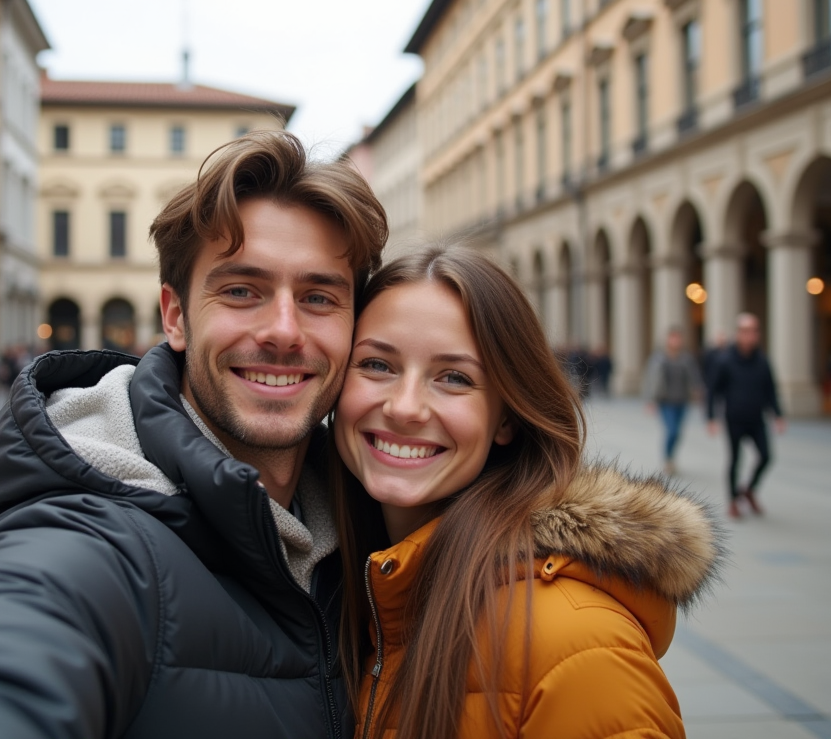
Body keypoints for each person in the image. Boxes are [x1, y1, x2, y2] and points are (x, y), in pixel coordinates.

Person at [0, 130, 388, 739]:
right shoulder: (87, 539)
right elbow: (6, 646)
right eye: (241, 290)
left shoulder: (373, 519)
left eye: (319, 296)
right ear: (175, 316)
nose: (282, 330)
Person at [331, 246, 722, 738]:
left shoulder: (583, 648)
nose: (406, 407)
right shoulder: (354, 593)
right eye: (377, 365)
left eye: (454, 377)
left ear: (507, 418)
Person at [706, 313, 785, 519]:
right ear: (739, 334)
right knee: (735, 460)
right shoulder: (726, 360)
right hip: (734, 418)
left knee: (766, 456)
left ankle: (749, 489)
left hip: (756, 418)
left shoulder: (762, 361)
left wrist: (778, 415)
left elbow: (770, 389)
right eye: (747, 331)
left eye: (755, 331)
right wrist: (711, 418)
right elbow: (713, 390)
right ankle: (733, 500)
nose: (751, 336)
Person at [642, 326, 703, 475]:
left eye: (678, 338)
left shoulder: (686, 358)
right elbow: (650, 379)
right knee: (672, 430)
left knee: (678, 433)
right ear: (668, 339)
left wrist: (697, 389)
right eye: (672, 337)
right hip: (665, 401)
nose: (675, 341)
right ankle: (668, 459)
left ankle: (671, 457)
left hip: (682, 401)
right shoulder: (658, 358)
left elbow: (694, 376)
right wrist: (650, 400)